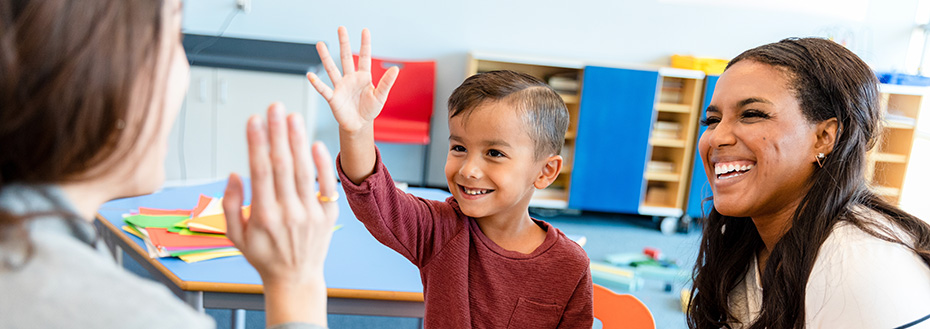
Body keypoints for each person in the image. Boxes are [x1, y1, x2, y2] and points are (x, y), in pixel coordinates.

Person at [0, 1, 335, 328]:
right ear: (102, 68)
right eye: (177, 37)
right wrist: (296, 285)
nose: (184, 73)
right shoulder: (142, 318)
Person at [307, 27, 593, 328]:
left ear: (545, 171)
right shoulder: (441, 229)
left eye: (494, 153)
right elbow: (375, 200)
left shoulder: (570, 265)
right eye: (459, 147)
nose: (468, 169)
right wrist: (357, 130)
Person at [687, 37, 930, 329]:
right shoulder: (742, 235)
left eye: (751, 115)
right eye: (712, 120)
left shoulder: (861, 268)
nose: (716, 137)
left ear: (825, 137)